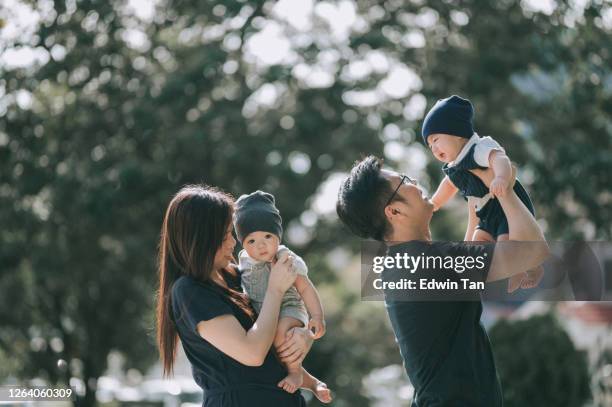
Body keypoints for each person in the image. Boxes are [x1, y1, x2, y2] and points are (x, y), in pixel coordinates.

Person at [336, 156, 549, 406]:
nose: (414, 182)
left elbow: (473, 248)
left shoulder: (408, 263)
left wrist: (474, 188)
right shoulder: (426, 263)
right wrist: (504, 186)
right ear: (394, 211)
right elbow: (532, 252)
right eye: (404, 181)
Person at [155, 185, 327, 406]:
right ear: (202, 239)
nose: (234, 242)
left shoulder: (239, 276)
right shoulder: (189, 291)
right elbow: (252, 353)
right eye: (226, 235)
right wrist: (275, 289)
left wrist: (302, 335)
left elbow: (273, 349)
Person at [423, 95, 544, 292]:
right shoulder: (455, 166)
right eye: (430, 145)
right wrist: (434, 203)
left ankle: (530, 268)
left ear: (457, 133)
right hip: (485, 214)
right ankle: (477, 275)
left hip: (503, 207)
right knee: (477, 243)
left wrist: (501, 179)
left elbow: (499, 158)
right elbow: (448, 185)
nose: (434, 148)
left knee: (509, 242)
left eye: (436, 139)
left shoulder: (478, 148)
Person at [233, 191, 328, 395]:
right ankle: (307, 378)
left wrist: (317, 316)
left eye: (268, 236)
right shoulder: (243, 262)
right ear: (242, 244)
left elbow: (305, 287)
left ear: (278, 236)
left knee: (281, 333)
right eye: (251, 241)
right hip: (263, 313)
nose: (261, 245)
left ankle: (295, 373)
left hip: (289, 309)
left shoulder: (285, 258)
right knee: (269, 343)